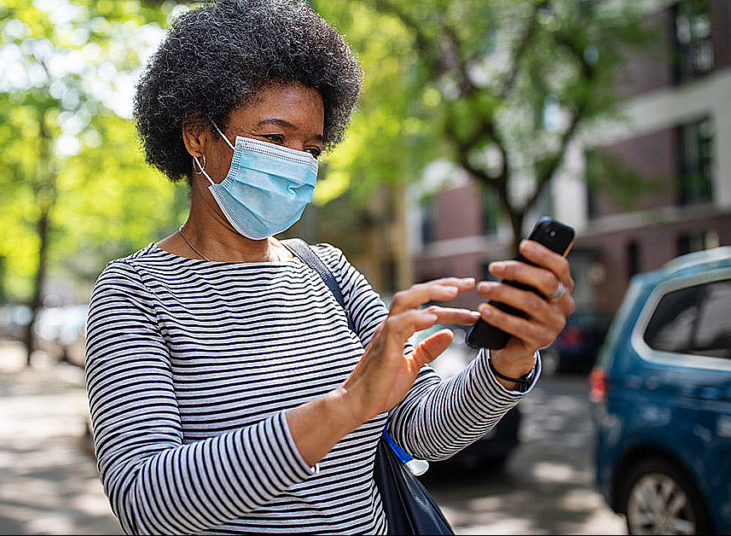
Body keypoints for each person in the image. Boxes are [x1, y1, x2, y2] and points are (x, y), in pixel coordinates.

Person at [84, 1, 576, 534]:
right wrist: (342, 409)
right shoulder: (133, 292)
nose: (298, 161)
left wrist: (510, 361)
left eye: (312, 146)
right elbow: (145, 501)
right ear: (198, 135)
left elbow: (423, 431)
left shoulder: (327, 271)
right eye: (275, 138)